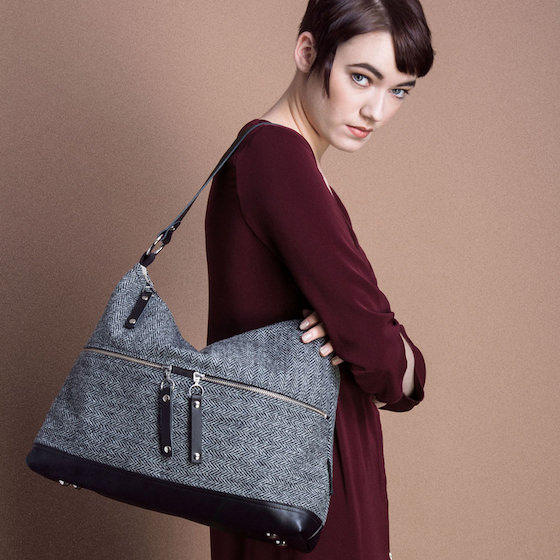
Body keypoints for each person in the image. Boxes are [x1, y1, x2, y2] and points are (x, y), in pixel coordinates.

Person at [205, 0, 434, 558]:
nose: (376, 110)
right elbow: (384, 357)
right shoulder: (277, 157)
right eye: (362, 78)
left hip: (279, 474)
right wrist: (397, 351)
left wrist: (371, 339)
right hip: (306, 484)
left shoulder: (280, 161)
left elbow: (368, 337)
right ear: (308, 52)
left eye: (399, 91)